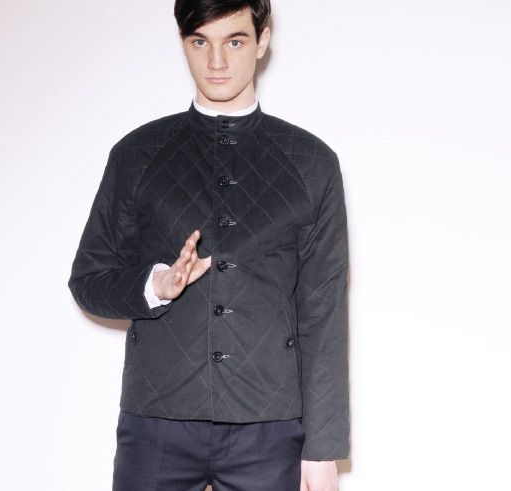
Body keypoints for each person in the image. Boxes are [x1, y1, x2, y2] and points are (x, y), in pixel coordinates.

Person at [68, 1, 349, 490]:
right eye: (201, 41)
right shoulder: (137, 156)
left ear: (262, 41)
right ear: (182, 42)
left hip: (269, 425)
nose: (216, 61)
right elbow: (89, 280)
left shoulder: (312, 164)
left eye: (234, 41)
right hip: (156, 420)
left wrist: (323, 449)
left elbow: (323, 313)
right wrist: (156, 284)